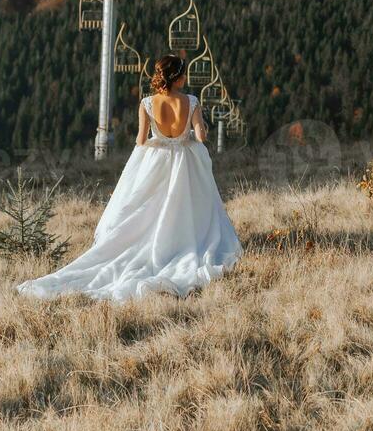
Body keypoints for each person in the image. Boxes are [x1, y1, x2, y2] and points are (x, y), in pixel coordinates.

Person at [17, 55, 242, 302]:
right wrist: (191, 129)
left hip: (156, 161)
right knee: (184, 206)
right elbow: (200, 137)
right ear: (178, 77)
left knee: (149, 206)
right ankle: (179, 244)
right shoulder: (191, 101)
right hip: (184, 163)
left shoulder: (147, 103)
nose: (185, 78)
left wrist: (162, 136)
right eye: (184, 74)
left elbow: (141, 140)